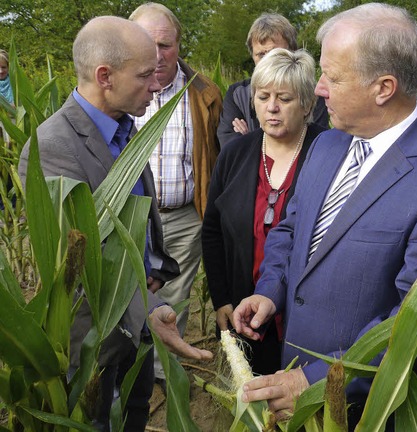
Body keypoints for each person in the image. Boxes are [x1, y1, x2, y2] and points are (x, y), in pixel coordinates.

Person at [232, 3, 417, 427]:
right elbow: (293, 228)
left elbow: (415, 320)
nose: (320, 88)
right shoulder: (328, 144)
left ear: (383, 87)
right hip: (293, 372)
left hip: (363, 404)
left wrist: (318, 382)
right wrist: (270, 289)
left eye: (332, 76)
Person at [17, 16, 213, 431]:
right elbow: (88, 264)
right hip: (95, 334)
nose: (156, 85)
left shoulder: (125, 128)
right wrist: (152, 309)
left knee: (136, 410)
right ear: (104, 76)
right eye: (144, 75)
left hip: (136, 319)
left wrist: (153, 285)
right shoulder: (52, 151)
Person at [202, 48, 325, 375]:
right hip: (244, 308)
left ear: (307, 104)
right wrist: (222, 300)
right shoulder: (234, 154)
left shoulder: (326, 154)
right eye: (262, 96)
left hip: (306, 314)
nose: (271, 107)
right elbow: (213, 230)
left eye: (284, 98)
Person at [129, 2, 222, 388]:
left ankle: (160, 372)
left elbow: (215, 153)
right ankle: (128, 363)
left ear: (179, 44)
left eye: (165, 44)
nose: (157, 54)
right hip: (132, 212)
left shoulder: (204, 92)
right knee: (130, 289)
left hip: (184, 213)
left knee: (175, 295)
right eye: (147, 44)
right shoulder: (120, 86)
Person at [216, 12, 328, 147]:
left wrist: (247, 140)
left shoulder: (313, 92)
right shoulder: (237, 94)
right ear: (252, 56)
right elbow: (230, 148)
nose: (268, 60)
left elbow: (316, 144)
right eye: (261, 55)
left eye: (275, 53)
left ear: (292, 51)